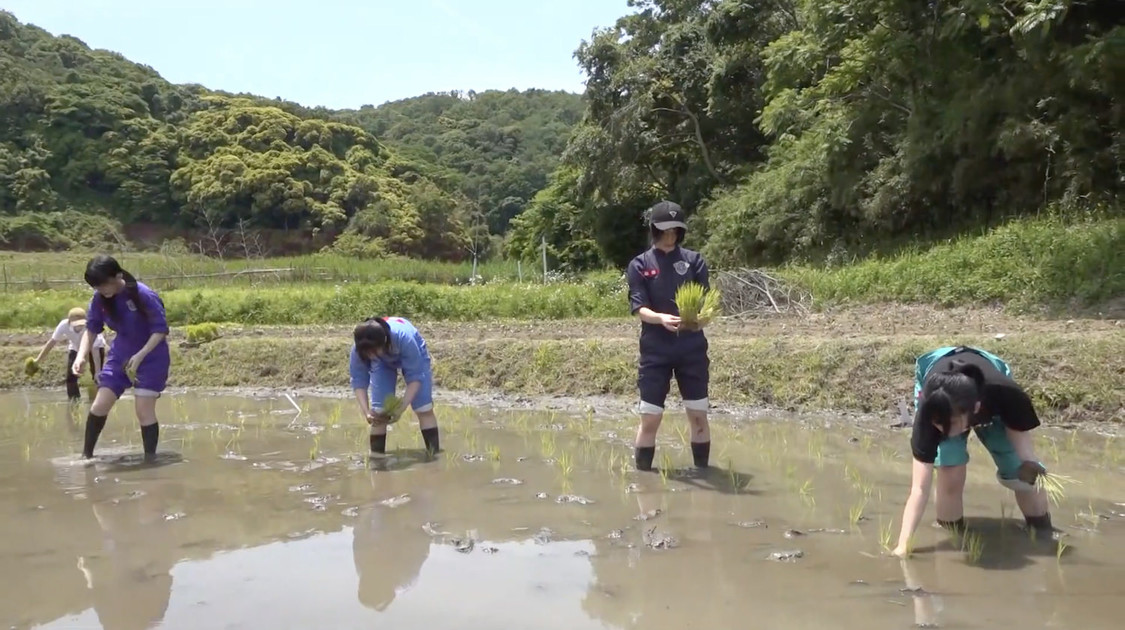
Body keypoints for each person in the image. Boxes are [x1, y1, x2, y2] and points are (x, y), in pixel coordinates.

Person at [892, 345, 1054, 557]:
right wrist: (903, 546)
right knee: (950, 466)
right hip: (937, 377)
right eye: (939, 424)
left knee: (1019, 470)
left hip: (991, 393)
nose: (944, 431)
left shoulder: (1006, 394)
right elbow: (919, 489)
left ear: (976, 409)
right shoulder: (928, 415)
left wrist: (1029, 463)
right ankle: (953, 533)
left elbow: (1022, 445)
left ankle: (1042, 531)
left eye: (951, 424)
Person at [625, 200, 712, 472]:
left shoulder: (694, 261)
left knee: (698, 416)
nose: (670, 235)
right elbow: (639, 308)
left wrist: (702, 318)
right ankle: (643, 479)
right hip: (655, 350)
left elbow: (707, 303)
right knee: (650, 418)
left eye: (675, 230)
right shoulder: (640, 264)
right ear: (654, 229)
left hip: (691, 347)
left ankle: (703, 475)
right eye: (665, 230)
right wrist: (661, 318)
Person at [72, 255, 171, 461]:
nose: (102, 290)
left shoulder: (142, 294)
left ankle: (149, 460)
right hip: (121, 354)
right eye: (97, 287)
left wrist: (141, 355)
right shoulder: (99, 299)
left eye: (105, 284)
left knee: (143, 411)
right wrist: (80, 357)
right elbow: (92, 330)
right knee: (99, 405)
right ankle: (86, 457)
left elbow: (160, 330)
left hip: (151, 356)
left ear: (118, 276)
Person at [349, 316, 441, 457]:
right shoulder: (359, 349)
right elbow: (358, 379)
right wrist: (366, 412)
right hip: (382, 362)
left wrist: (401, 408)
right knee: (379, 413)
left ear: (384, 342)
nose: (369, 355)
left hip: (414, 352)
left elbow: (416, 377)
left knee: (424, 408)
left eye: (373, 351)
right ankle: (377, 460)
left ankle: (433, 456)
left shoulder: (405, 339)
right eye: (366, 353)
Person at [31, 307, 108, 401]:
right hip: (75, 347)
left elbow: (95, 350)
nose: (79, 327)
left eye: (81, 324)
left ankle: (97, 400)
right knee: (71, 377)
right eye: (76, 324)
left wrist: (98, 371)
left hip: (96, 348)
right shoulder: (63, 325)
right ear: (69, 322)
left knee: (96, 376)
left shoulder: (90, 328)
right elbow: (51, 343)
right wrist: (38, 360)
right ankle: (74, 402)